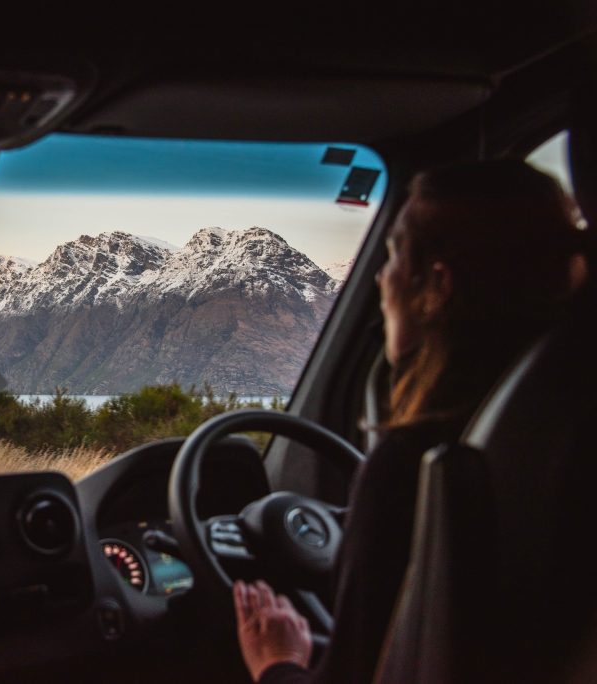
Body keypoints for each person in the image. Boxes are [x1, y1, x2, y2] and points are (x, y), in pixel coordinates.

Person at [233, 160, 590, 683]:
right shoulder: (562, 431)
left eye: (393, 254)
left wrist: (277, 663)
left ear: (437, 285)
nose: (380, 277)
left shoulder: (414, 468)